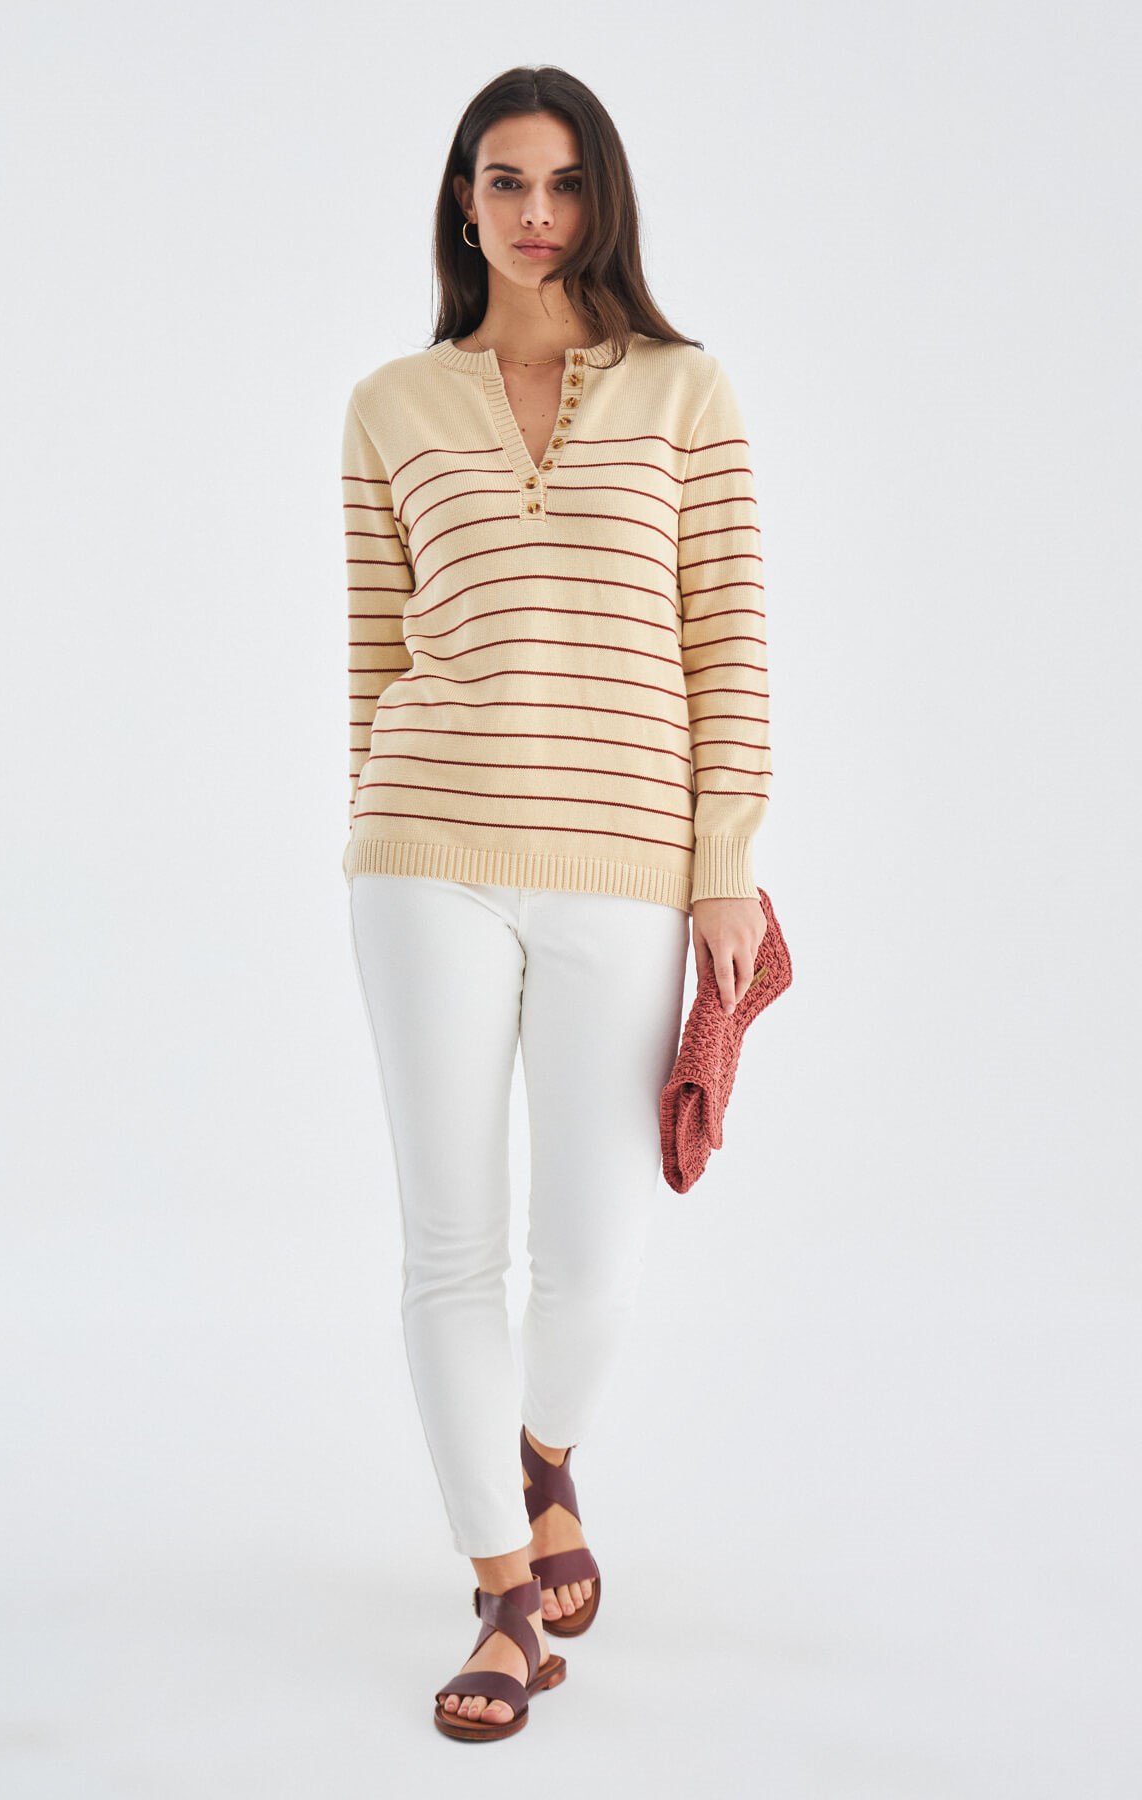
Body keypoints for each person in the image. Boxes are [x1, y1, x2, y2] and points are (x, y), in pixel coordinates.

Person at [341, 64, 773, 1742]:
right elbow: (372, 654)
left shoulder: (684, 389)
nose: (537, 213)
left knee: (593, 1254)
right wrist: (374, 831)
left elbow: (726, 637)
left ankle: (542, 1457)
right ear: (464, 200)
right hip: (425, 857)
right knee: (449, 1243)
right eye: (507, 181)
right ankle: (504, 1594)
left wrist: (724, 864)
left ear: (606, 200)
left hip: (626, 866)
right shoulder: (389, 403)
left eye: (567, 182)